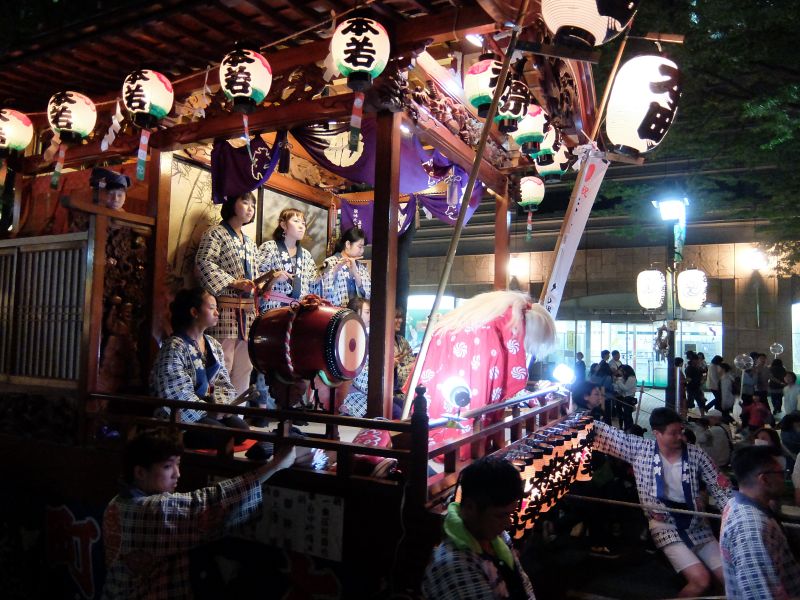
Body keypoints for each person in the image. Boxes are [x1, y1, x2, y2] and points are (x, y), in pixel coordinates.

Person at [101, 429, 296, 599]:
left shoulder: (117, 502)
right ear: (140, 473)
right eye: (168, 466)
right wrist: (276, 465)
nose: (177, 474)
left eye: (178, 464)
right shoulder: (149, 510)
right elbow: (208, 503)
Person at [591, 407, 732, 598]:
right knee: (701, 580)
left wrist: (734, 516)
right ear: (657, 433)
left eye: (681, 431)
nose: (680, 437)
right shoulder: (641, 449)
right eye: (673, 433)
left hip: (697, 524)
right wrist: (574, 419)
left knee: (731, 579)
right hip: (664, 525)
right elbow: (607, 434)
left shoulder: (696, 453)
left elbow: (719, 486)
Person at [422, 457, 536, 599]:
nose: (508, 524)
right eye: (500, 515)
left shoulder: (497, 538)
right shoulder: (454, 565)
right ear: (470, 507)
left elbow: (525, 587)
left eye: (510, 514)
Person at [150, 288, 250, 449]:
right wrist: (208, 411)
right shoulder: (174, 347)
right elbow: (175, 393)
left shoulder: (213, 344)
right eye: (212, 308)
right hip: (180, 414)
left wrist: (221, 406)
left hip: (207, 407)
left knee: (242, 431)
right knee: (223, 435)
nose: (217, 313)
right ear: (194, 312)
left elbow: (223, 382)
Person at [195, 192, 260, 398]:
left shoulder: (250, 243)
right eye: (245, 202)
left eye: (253, 205)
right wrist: (233, 282)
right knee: (223, 363)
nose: (250, 208)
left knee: (245, 367)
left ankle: (237, 412)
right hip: (225, 310)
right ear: (232, 203)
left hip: (247, 314)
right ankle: (219, 411)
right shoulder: (215, 233)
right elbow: (203, 263)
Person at [720, 445, 800, 599]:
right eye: (781, 473)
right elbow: (760, 595)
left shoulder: (736, 502)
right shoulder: (751, 529)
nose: (785, 478)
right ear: (765, 479)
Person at [257, 207, 320, 311]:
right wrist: (274, 278)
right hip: (273, 308)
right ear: (283, 225)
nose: (301, 226)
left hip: (298, 309)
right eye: (296, 221)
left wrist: (324, 274)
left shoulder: (306, 255)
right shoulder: (269, 247)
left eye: (303, 223)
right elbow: (257, 279)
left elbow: (313, 284)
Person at [320, 227, 371, 307]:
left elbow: (368, 295)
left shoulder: (361, 266)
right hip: (337, 311)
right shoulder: (329, 262)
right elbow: (323, 293)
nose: (362, 251)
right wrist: (335, 271)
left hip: (356, 312)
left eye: (363, 247)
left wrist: (355, 273)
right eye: (360, 247)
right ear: (348, 244)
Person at [339, 298, 371, 418]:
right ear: (356, 312)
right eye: (367, 312)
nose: (370, 315)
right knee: (396, 411)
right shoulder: (349, 336)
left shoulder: (362, 334)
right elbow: (355, 371)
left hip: (363, 389)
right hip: (353, 393)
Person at [613, 364, 637, 431]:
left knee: (628, 415)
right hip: (626, 398)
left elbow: (625, 388)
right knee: (626, 415)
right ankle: (627, 429)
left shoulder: (631, 378)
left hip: (629, 398)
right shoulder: (627, 377)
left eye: (622, 371)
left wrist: (618, 382)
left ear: (626, 371)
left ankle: (629, 429)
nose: (621, 372)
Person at [590, 360, 615, 425]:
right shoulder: (608, 377)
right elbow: (606, 388)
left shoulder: (593, 376)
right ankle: (607, 430)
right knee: (607, 418)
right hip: (605, 399)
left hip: (595, 398)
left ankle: (595, 429)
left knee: (596, 417)